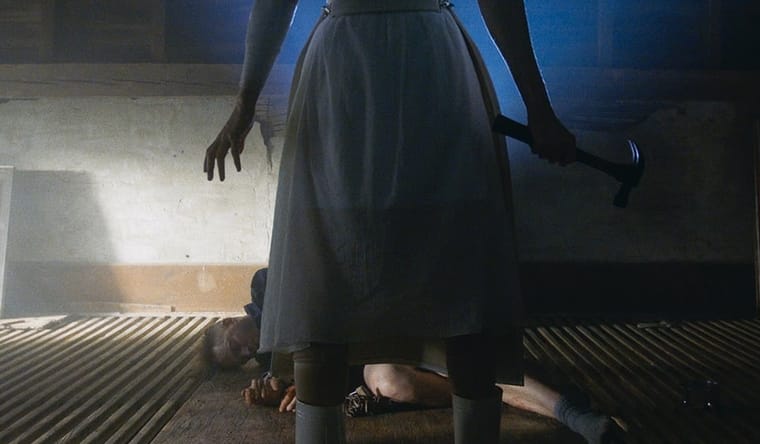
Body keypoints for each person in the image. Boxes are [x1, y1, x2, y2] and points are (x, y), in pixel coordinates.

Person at [204, 1, 576, 443]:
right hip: (404, 60)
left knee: (446, 286)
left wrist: (246, 102)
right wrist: (537, 106)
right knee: (352, 284)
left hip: (373, 64)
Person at [204, 269, 626, 444]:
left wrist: (300, 367)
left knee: (457, 353)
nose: (245, 351)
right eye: (240, 358)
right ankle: (502, 393)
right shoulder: (271, 364)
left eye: (234, 344)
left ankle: (570, 411)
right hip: (366, 361)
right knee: (392, 381)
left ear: (226, 322)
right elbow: (340, 377)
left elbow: (320, 302)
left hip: (385, 317)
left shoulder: (264, 286)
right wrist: (291, 390)